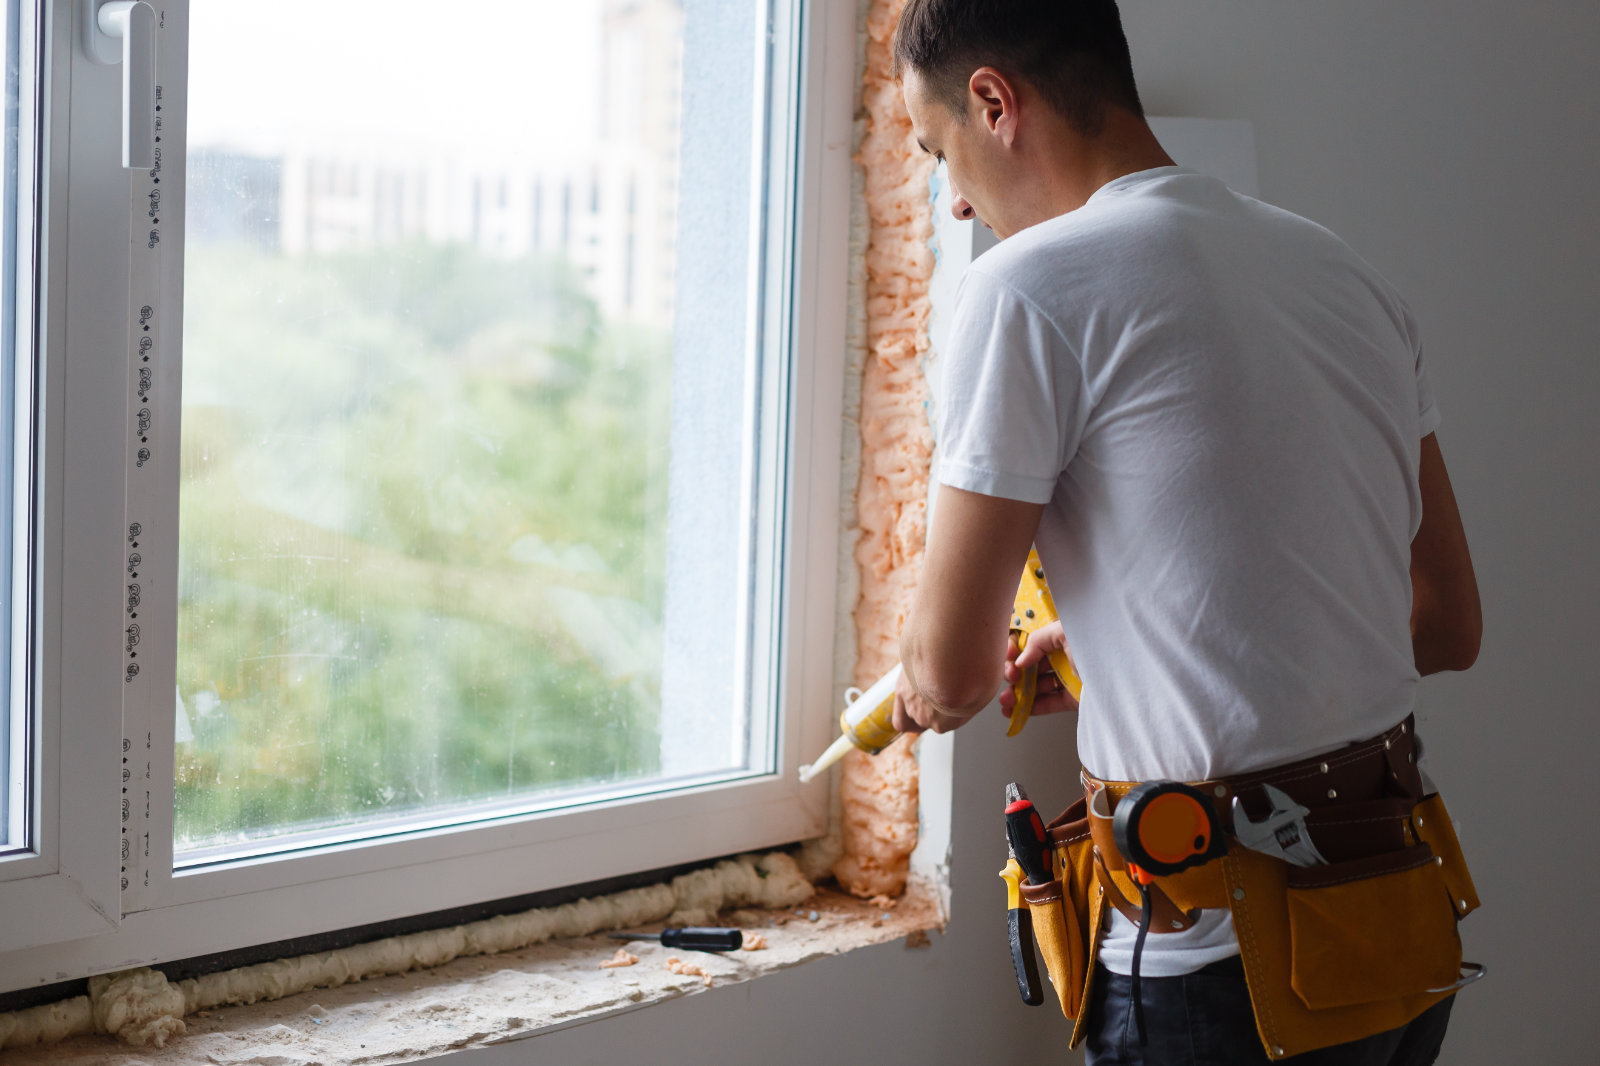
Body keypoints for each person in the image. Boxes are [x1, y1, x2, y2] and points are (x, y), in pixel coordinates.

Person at [882, 2, 1482, 1063]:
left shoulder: (1024, 290)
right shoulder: (1348, 276)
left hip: (1221, 969)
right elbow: (1444, 622)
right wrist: (1135, 642)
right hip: (1396, 929)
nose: (958, 202)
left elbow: (953, 673)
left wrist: (920, 689)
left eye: (940, 154)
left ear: (994, 101)